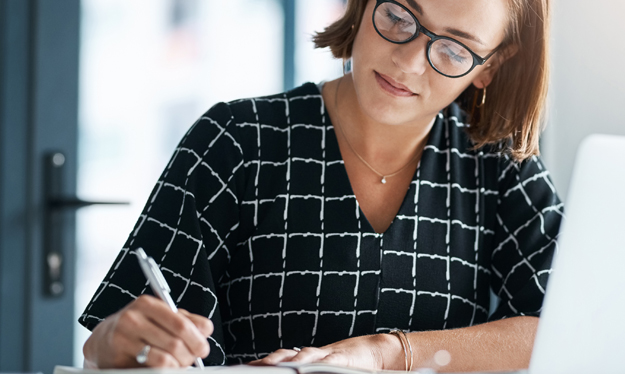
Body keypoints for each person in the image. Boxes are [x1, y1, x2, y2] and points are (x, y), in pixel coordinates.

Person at [79, 0, 561, 371]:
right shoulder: (237, 140)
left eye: (454, 50)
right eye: (398, 16)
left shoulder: (499, 166)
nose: (409, 62)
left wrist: (387, 353)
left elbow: (566, 328)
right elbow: (108, 346)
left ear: (491, 67)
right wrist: (117, 345)